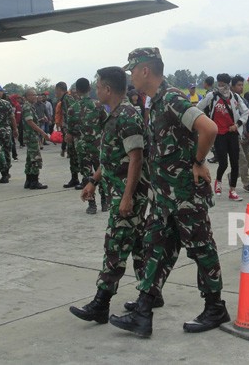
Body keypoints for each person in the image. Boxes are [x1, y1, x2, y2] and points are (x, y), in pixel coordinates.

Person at [109, 47, 229, 336]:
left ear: (145, 70)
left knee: (201, 249)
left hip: (185, 195)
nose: (130, 77)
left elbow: (209, 128)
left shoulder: (172, 98)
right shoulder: (155, 102)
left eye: (132, 71)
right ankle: (143, 311)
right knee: (155, 248)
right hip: (165, 198)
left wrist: (199, 162)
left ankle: (215, 307)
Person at [70, 67, 149, 324]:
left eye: (98, 85)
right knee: (137, 245)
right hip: (120, 189)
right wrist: (93, 180)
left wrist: (127, 197)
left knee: (115, 246)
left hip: (129, 193)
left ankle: (100, 304)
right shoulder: (114, 114)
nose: (95, 90)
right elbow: (113, 156)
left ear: (107, 88)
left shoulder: (126, 115)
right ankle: (151, 293)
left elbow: (136, 159)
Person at [197, 73, 249, 201]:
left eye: (223, 84)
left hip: (232, 133)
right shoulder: (212, 96)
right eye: (219, 84)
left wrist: (237, 125)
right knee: (223, 163)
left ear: (228, 84)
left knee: (235, 163)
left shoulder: (235, 97)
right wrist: (205, 124)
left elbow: (246, 111)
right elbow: (198, 107)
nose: (221, 87)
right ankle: (218, 181)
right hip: (219, 134)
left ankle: (233, 191)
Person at [66, 77, 108, 213]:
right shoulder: (98, 105)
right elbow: (107, 125)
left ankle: (92, 204)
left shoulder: (72, 109)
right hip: (97, 145)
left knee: (86, 175)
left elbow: (70, 133)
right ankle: (105, 201)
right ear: (90, 89)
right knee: (100, 172)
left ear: (76, 91)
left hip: (82, 148)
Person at [231, 74, 249, 193]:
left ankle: (232, 176)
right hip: (235, 135)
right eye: (238, 85)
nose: (241, 87)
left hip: (245, 134)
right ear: (232, 86)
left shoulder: (244, 101)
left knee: (247, 160)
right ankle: (247, 183)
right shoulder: (229, 101)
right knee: (242, 160)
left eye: (242, 85)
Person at [21, 88, 51, 188]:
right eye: (33, 95)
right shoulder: (28, 107)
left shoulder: (29, 106)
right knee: (35, 158)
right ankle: (34, 182)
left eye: (36, 94)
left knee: (30, 158)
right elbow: (30, 121)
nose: (36, 96)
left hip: (30, 136)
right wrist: (42, 132)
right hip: (31, 136)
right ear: (27, 96)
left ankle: (29, 181)